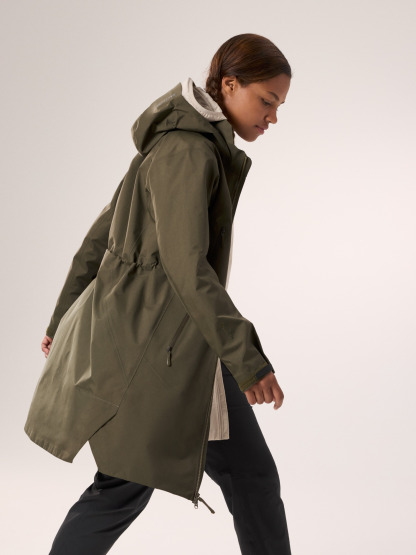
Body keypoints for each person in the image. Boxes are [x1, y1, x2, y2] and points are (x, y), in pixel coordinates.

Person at [25, 33, 292, 554]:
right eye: (267, 100)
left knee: (252, 479)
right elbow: (186, 267)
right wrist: (247, 359)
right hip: (154, 352)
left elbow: (99, 236)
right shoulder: (187, 151)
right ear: (229, 85)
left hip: (186, 346)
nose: (273, 117)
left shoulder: (184, 143)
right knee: (123, 486)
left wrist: (60, 318)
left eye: (279, 106)